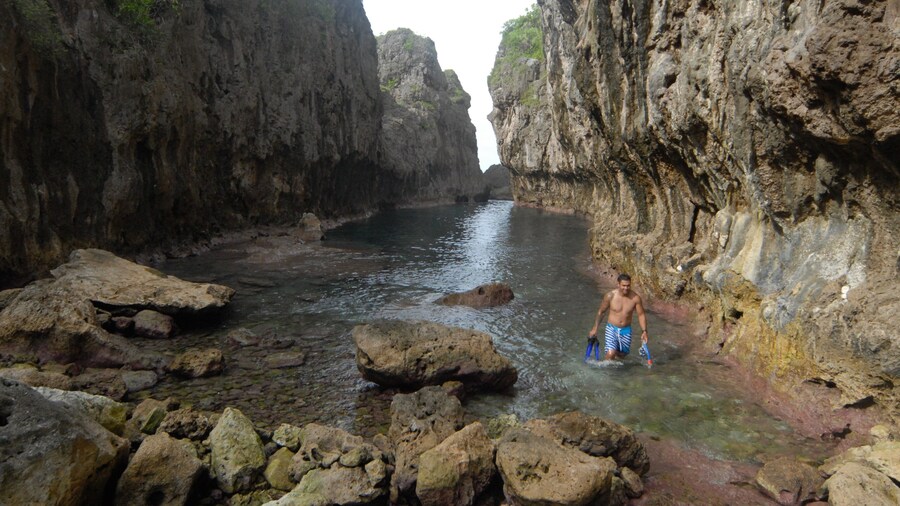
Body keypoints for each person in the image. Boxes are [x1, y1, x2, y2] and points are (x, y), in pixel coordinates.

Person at [587, 273, 649, 361]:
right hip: (611, 328)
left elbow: (641, 315)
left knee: (621, 356)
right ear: (618, 284)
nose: (626, 288)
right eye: (623, 285)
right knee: (610, 353)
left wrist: (644, 331)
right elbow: (601, 312)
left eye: (628, 286)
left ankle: (616, 372)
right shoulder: (610, 296)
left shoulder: (635, 298)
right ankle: (605, 373)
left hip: (626, 330)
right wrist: (595, 328)